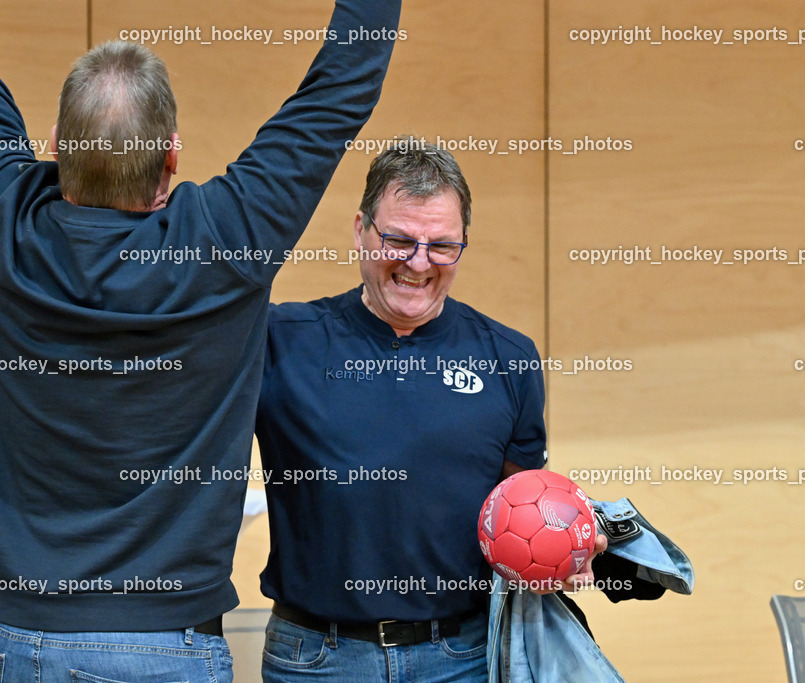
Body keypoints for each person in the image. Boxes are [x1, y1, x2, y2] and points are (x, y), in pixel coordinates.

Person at [0, 0, 400, 678]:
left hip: (21, 640)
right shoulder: (228, 239)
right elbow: (339, 89)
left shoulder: (4, 224)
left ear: (54, 145)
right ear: (172, 153)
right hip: (167, 647)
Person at [254, 138, 607, 682]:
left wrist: (570, 546)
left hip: (462, 659)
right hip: (316, 660)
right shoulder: (281, 341)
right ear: (359, 231)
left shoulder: (508, 357)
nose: (419, 263)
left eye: (442, 246)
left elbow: (524, 506)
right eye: (399, 239)